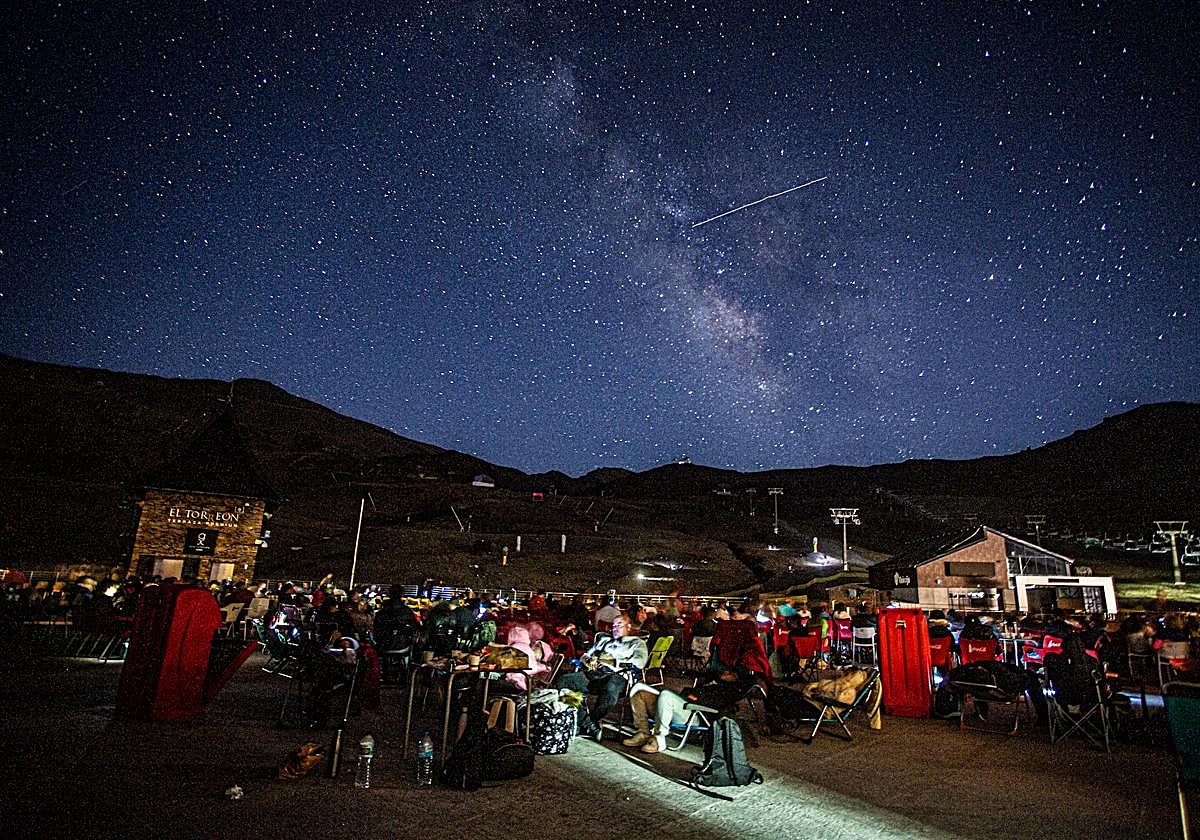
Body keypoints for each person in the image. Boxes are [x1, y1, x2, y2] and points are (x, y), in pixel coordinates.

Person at [556, 632, 648, 740]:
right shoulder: (604, 640)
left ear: (628, 627)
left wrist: (609, 660)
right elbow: (584, 655)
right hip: (597, 674)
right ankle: (585, 722)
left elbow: (639, 663)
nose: (615, 628)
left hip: (619, 675)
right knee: (565, 681)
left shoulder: (637, 643)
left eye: (619, 624)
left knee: (611, 688)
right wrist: (588, 660)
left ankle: (588, 722)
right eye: (614, 625)